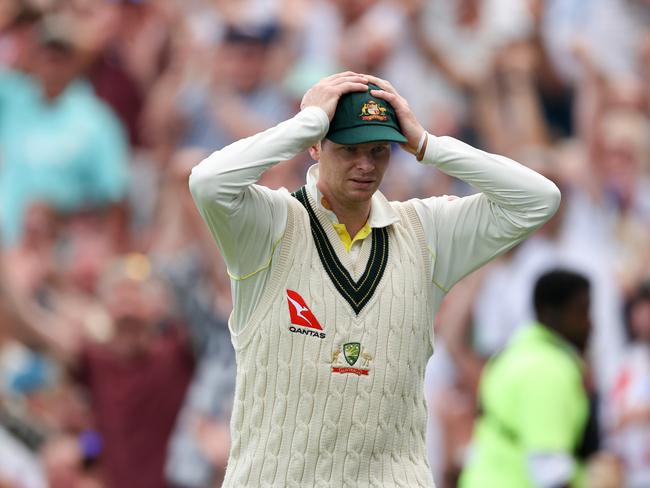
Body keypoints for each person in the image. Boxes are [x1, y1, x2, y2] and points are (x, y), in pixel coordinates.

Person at [189, 71, 560, 487]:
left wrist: (427, 145)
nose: (366, 165)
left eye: (379, 150)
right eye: (349, 149)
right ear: (316, 147)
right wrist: (306, 122)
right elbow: (208, 182)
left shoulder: (425, 231)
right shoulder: (269, 225)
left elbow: (539, 200)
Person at [459, 269, 594, 488]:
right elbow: (551, 472)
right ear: (549, 312)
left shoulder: (515, 351)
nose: (590, 323)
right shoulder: (547, 369)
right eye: (581, 312)